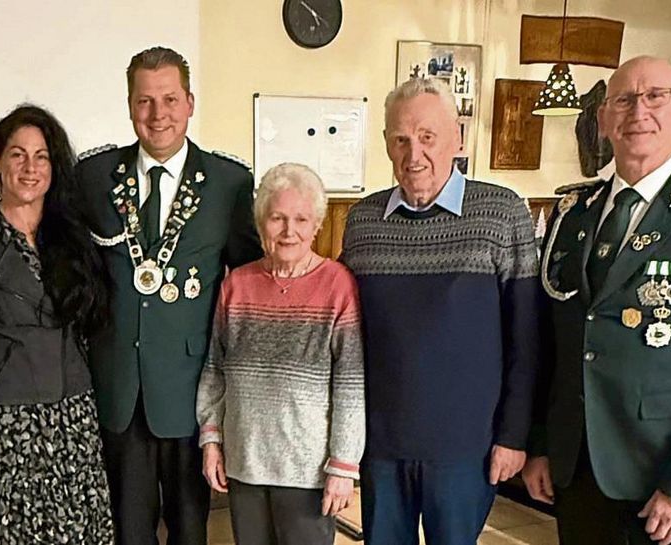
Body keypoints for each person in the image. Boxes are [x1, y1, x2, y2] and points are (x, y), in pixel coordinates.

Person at [524, 56, 671, 545]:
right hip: (579, 471)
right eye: (624, 100)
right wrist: (541, 444)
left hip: (664, 478)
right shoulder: (573, 214)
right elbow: (551, 343)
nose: (639, 112)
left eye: (655, 96)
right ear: (603, 119)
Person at [339, 77, 541, 545]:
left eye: (427, 137)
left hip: (466, 447)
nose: (414, 154)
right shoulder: (362, 221)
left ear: (457, 138)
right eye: (401, 140)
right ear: (386, 143)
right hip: (381, 442)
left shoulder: (502, 212)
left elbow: (527, 339)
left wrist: (514, 436)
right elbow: (348, 333)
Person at [75, 46, 262, 545]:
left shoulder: (228, 182)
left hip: (189, 389)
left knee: (189, 528)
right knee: (128, 529)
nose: (158, 114)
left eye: (170, 99)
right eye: (145, 101)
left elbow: (246, 282)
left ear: (190, 103)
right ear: (129, 105)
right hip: (119, 388)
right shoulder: (94, 177)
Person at [0, 105, 114, 544]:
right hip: (12, 413)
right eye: (18, 154)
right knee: (18, 531)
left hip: (75, 408)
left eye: (42, 156)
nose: (30, 168)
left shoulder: (74, 233)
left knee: (80, 528)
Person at [196, 163, 364, 545]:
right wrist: (211, 440)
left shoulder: (337, 285)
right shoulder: (237, 285)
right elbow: (214, 370)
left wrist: (343, 465)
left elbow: (351, 385)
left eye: (301, 219)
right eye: (277, 218)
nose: (290, 231)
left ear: (317, 225)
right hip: (245, 464)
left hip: (308, 472)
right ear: (260, 225)